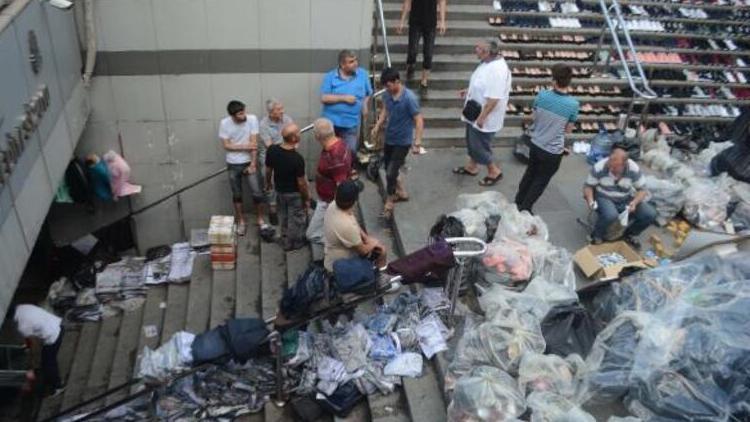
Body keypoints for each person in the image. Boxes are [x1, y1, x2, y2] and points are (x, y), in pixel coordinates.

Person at [515, 63, 579, 213]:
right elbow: (568, 130)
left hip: (536, 144)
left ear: (554, 81)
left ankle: (518, 200)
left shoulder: (542, 95)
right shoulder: (573, 104)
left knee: (530, 173)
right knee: (541, 180)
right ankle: (526, 207)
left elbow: (534, 117)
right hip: (552, 151)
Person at [453, 39, 511, 187]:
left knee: (480, 145)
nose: (475, 50)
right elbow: (481, 83)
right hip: (475, 109)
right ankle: (472, 166)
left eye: (478, 49)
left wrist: (482, 117)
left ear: (487, 52)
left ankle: (494, 171)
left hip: (484, 115)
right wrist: (468, 91)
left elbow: (494, 98)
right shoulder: (486, 63)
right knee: (472, 140)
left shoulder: (498, 70)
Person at [371, 67, 424, 219]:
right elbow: (385, 110)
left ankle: (389, 201)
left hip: (403, 141)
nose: (386, 89)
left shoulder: (409, 98)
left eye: (388, 86)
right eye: (385, 86)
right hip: (390, 138)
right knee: (389, 167)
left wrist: (417, 142)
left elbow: (419, 120)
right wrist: (378, 125)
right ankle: (401, 192)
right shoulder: (388, 94)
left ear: (397, 82)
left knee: (390, 172)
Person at [583, 144, 657, 247]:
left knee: (650, 214)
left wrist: (634, 203)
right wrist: (591, 200)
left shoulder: (633, 169)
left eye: (615, 167)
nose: (611, 169)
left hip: (625, 197)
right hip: (604, 196)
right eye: (610, 165)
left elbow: (643, 190)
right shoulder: (600, 167)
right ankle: (596, 235)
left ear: (624, 164)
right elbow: (588, 186)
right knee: (611, 215)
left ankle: (629, 234)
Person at [306, 118, 353, 257]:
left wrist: (340, 210)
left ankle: (335, 244)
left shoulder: (335, 156)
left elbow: (341, 185)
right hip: (326, 198)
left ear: (317, 136)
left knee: (312, 234)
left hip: (329, 201)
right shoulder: (339, 143)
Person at [219, 100, 267, 234]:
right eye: (240, 114)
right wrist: (245, 146)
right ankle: (241, 221)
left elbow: (254, 144)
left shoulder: (252, 119)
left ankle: (260, 219)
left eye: (243, 112)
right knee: (237, 194)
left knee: (257, 192)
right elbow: (226, 145)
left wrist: (252, 164)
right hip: (233, 164)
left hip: (248, 162)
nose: (243, 115)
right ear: (232, 116)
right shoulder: (225, 123)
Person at [323, 181, 387, 273]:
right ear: (354, 201)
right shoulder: (347, 226)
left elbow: (353, 220)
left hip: (333, 252)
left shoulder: (334, 204)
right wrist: (374, 243)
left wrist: (366, 237)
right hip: (340, 266)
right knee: (381, 251)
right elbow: (363, 251)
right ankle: (381, 279)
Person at [265, 123, 310, 251]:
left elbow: (268, 170)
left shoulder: (272, 150)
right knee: (296, 218)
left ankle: (285, 238)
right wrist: (306, 198)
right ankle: (294, 243)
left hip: (280, 190)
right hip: (294, 194)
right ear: (294, 138)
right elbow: (301, 183)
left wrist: (268, 183)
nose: (300, 134)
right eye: (298, 132)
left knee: (284, 215)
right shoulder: (297, 159)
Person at [320, 49, 374, 154]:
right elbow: (324, 98)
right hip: (331, 124)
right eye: (351, 62)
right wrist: (344, 98)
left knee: (350, 151)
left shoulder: (362, 74)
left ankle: (347, 169)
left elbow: (368, 92)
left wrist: (364, 104)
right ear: (342, 64)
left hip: (351, 123)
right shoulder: (330, 77)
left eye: (355, 60)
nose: (355, 64)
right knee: (331, 151)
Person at [13, 304, 64, 396]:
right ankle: (49, 380)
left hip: (52, 336)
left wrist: (31, 366)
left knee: (48, 363)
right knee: (46, 360)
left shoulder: (22, 325)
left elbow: (34, 346)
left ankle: (57, 386)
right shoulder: (23, 307)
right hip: (57, 324)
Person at [396, 0, 447, 88]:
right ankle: (410, 64)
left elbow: (442, 2)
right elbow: (407, 2)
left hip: (430, 23)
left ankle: (424, 79)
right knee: (412, 50)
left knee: (428, 52)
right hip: (415, 22)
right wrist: (402, 21)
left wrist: (442, 21)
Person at [259, 99, 295, 224]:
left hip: (287, 153)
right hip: (271, 157)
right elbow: (270, 147)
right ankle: (272, 209)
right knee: (269, 181)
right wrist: (287, 145)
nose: (282, 111)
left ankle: (305, 200)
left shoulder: (287, 119)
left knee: (299, 171)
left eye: (282, 108)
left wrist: (291, 146)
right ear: (271, 112)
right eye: (279, 109)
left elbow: (295, 137)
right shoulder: (263, 124)